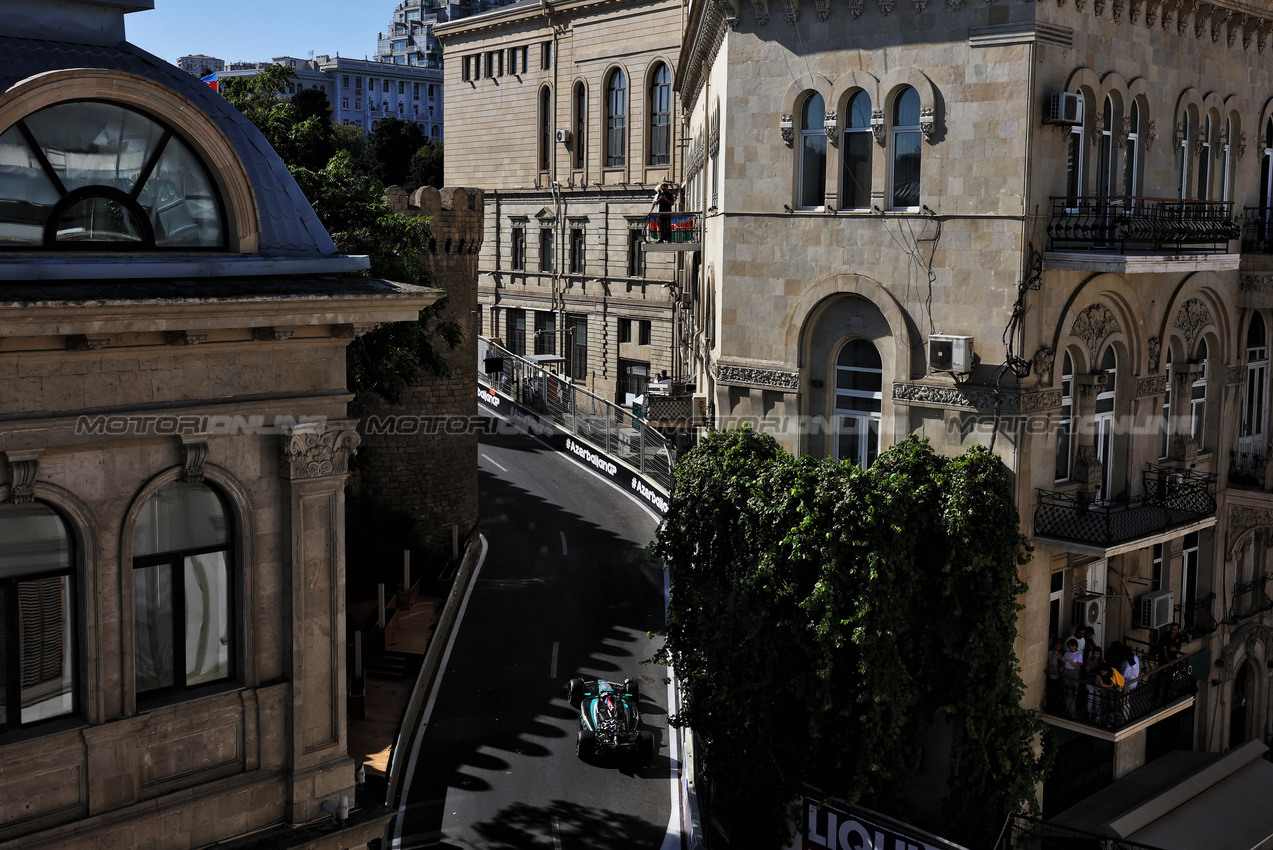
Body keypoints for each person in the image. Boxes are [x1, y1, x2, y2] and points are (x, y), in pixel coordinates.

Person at [1062, 638, 1084, 718]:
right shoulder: (1067, 653)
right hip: (1066, 672)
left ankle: (1073, 711)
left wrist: (1070, 661)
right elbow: (1063, 663)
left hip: (1074, 672)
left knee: (1074, 692)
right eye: (1069, 646)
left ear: (1075, 646)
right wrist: (1061, 671)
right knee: (1067, 692)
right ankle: (1068, 710)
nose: (1071, 647)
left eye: (1072, 646)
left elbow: (1077, 665)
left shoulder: (1079, 654)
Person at [1046, 639, 1065, 712]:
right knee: (1051, 692)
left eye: (1059, 647)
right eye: (1056, 646)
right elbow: (1049, 664)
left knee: (1058, 693)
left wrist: (1058, 665)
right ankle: (1049, 707)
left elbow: (1062, 663)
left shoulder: (1061, 654)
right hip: (1052, 675)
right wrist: (1053, 657)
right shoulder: (1050, 652)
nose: (1057, 648)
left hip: (1058, 674)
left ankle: (1056, 708)